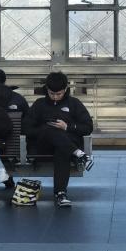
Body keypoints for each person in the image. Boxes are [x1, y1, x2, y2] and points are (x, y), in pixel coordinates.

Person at [23, 72, 94, 208]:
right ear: (47, 90)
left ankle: (61, 193)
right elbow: (26, 128)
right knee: (49, 129)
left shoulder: (74, 104)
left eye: (59, 94)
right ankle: (79, 155)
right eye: (51, 93)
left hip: (65, 148)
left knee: (62, 149)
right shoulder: (39, 104)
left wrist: (68, 127)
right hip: (43, 147)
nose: (55, 97)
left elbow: (87, 127)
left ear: (66, 90)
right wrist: (44, 130)